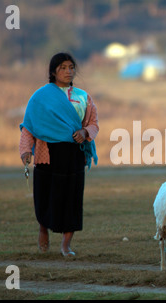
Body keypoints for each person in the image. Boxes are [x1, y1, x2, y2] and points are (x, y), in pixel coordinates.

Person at [19, 52, 99, 257]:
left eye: (71, 67)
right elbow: (29, 126)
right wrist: (26, 150)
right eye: (63, 67)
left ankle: (66, 245)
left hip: (73, 153)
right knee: (45, 197)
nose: (68, 71)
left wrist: (84, 132)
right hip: (48, 155)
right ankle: (43, 228)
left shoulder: (83, 97)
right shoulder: (40, 97)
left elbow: (93, 124)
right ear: (53, 71)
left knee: (71, 199)